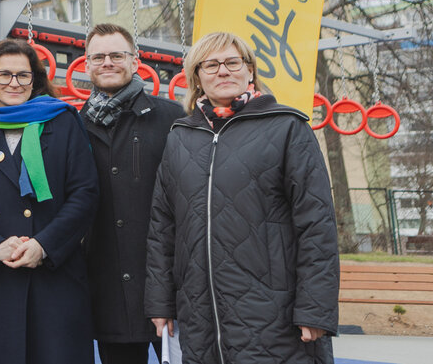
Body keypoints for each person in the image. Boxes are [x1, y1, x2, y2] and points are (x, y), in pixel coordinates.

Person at [145, 31, 340, 363]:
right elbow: (162, 229)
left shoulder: (287, 127)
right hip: (198, 316)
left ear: (250, 70)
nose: (223, 71)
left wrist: (315, 308)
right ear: (197, 78)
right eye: (211, 65)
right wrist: (159, 302)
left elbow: (317, 225)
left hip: (274, 314)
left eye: (233, 62)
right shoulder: (180, 137)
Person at [0, 39, 98, 364]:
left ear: (35, 80)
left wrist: (43, 245)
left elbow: (84, 194)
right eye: (4, 75)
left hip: (55, 280)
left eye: (23, 76)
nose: (14, 83)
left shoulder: (64, 122)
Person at [80, 24, 182, 364]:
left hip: (170, 285)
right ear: (86, 64)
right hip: (107, 287)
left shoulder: (173, 117)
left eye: (116, 55)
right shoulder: (74, 126)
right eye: (99, 56)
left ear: (135, 62)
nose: (107, 62)